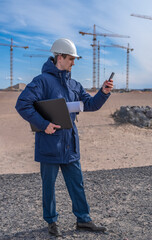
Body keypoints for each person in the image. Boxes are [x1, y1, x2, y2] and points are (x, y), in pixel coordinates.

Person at [15, 38, 113, 237]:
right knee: (48, 187)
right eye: (71, 59)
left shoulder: (74, 85)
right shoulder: (42, 81)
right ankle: (51, 222)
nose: (73, 63)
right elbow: (22, 104)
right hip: (49, 144)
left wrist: (103, 93)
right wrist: (44, 125)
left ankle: (83, 220)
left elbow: (91, 105)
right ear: (60, 57)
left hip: (70, 145)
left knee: (77, 184)